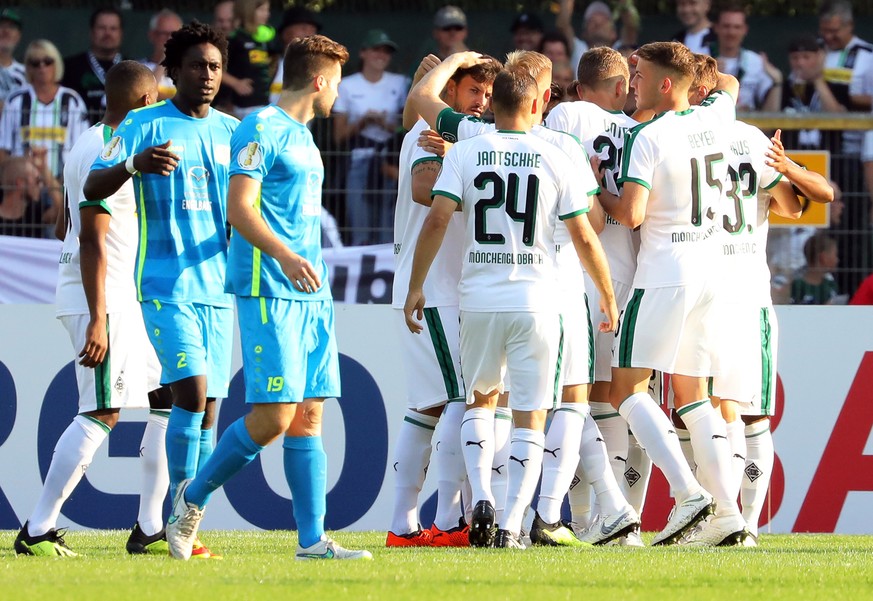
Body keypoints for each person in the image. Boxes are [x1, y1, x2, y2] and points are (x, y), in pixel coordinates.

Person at [163, 34, 371, 562]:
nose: (339, 96)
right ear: (321, 80)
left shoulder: (304, 135)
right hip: (269, 288)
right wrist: (283, 255)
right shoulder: (261, 126)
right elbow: (240, 208)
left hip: (311, 294)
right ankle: (191, 497)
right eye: (338, 83)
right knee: (274, 416)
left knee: (308, 416)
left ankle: (311, 541)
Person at [405, 63, 617, 550]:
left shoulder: (467, 151)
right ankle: (512, 523)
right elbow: (585, 233)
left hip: (479, 299)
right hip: (539, 301)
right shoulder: (556, 153)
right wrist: (605, 293)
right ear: (538, 105)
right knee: (532, 415)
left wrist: (417, 285)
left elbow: (437, 220)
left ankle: (481, 494)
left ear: (492, 105)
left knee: (480, 403)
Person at [84, 21, 239, 559]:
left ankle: (185, 523)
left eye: (215, 66)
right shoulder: (145, 124)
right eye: (197, 65)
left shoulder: (232, 132)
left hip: (219, 289)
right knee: (189, 396)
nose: (207, 75)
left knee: (211, 411)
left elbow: (246, 210)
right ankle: (178, 516)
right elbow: (92, 186)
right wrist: (134, 164)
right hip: (163, 286)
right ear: (174, 71)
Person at [13, 61, 174, 558]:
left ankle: (149, 526)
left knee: (164, 397)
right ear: (145, 103)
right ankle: (37, 529)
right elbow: (92, 240)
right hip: (100, 296)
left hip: (119, 295)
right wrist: (99, 315)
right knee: (102, 411)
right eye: (157, 100)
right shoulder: (115, 149)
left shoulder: (91, 139)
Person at [597, 41, 749, 546]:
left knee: (624, 390)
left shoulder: (651, 135)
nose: (631, 82)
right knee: (692, 397)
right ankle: (728, 514)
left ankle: (688, 494)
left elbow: (631, 214)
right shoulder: (718, 118)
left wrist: (595, 184)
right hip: (712, 271)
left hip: (665, 273)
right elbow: (727, 85)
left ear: (665, 84)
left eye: (638, 74)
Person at [387, 55, 500, 548]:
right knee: (461, 399)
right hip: (434, 288)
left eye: (490, 95)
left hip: (444, 287)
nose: (483, 103)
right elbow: (422, 188)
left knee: (428, 407)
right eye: (474, 92)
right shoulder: (426, 135)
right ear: (449, 92)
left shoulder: (464, 139)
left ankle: (403, 525)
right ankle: (449, 521)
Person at [544, 46, 645, 545]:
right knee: (616, 398)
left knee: (578, 398)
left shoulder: (566, 113)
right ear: (624, 87)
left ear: (581, 87)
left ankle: (595, 515)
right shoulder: (640, 129)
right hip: (629, 271)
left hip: (580, 273)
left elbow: (564, 185)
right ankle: (611, 518)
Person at [333, 29, 408, 246]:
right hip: (359, 159)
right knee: (360, 226)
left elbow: (409, 126)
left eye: (386, 51)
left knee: (388, 228)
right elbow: (338, 136)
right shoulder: (347, 85)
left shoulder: (401, 83)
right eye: (376, 49)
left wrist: (386, 124)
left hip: (390, 160)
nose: (381, 55)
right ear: (363, 53)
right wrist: (363, 122)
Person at [0, 39, 89, 180]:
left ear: (57, 64)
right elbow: (3, 148)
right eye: (35, 63)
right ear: (28, 68)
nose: (42, 67)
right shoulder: (15, 100)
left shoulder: (72, 100)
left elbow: (82, 148)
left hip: (62, 182)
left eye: (47, 61)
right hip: (21, 184)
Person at [710, 4, 781, 112]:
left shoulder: (756, 61)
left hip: (746, 124)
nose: (731, 32)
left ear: (745, 29)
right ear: (716, 28)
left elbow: (771, 112)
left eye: (737, 27)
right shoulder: (703, 59)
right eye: (726, 26)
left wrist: (777, 80)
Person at [62, 7, 125, 123]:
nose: (107, 33)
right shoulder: (69, 67)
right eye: (102, 28)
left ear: (121, 33)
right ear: (91, 32)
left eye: (113, 28)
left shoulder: (132, 68)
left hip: (122, 136)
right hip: (81, 135)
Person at [224, 0, 282, 119]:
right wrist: (235, 83)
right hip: (243, 106)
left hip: (263, 104)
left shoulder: (262, 40)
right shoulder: (236, 39)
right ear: (248, 11)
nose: (267, 14)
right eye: (261, 10)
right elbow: (216, 68)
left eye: (267, 10)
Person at [556, 0, 640, 72]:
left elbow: (631, 26)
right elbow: (563, 25)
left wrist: (624, 4)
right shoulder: (577, 49)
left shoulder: (622, 50)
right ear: (584, 33)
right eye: (592, 21)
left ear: (613, 33)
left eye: (604, 21)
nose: (598, 24)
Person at [269, 7, 322, 104]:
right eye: (303, 28)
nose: (309, 34)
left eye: (313, 30)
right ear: (285, 33)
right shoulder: (268, 63)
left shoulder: (320, 68)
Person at [0, 153, 60, 237]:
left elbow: (61, 211)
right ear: (20, 183)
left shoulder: (35, 213)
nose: (41, 186)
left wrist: (44, 169)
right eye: (37, 180)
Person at [141, 9, 183, 100]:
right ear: (152, 35)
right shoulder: (140, 69)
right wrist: (164, 60)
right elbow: (147, 96)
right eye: (164, 34)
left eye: (175, 34)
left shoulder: (187, 69)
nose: (170, 39)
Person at [790, 233, 841, 304]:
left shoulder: (831, 285)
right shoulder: (797, 286)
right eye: (835, 255)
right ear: (823, 258)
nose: (837, 260)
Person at [0, 8, 25, 109]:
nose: (6, 31)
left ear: (18, 36)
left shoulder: (28, 73)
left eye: (12, 27)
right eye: (1, 26)